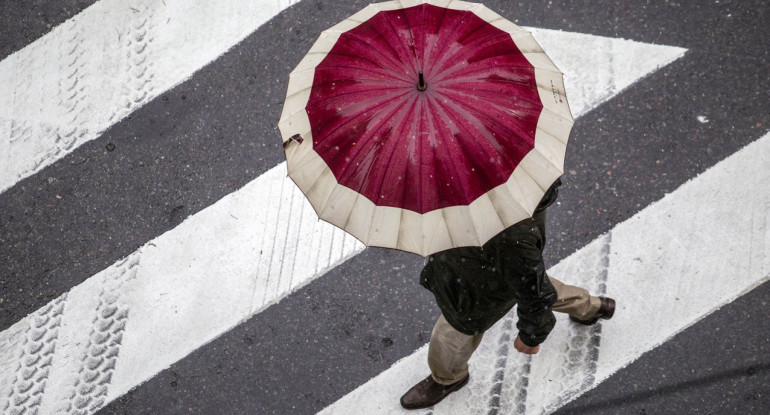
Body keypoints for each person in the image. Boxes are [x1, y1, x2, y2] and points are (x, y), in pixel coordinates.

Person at [400, 178, 616, 410]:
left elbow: (536, 295)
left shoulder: (509, 234)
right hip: (490, 269)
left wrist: (530, 336)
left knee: (449, 335)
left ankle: (447, 377)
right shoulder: (510, 185)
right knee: (527, 282)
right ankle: (590, 307)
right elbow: (531, 283)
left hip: (477, 288)